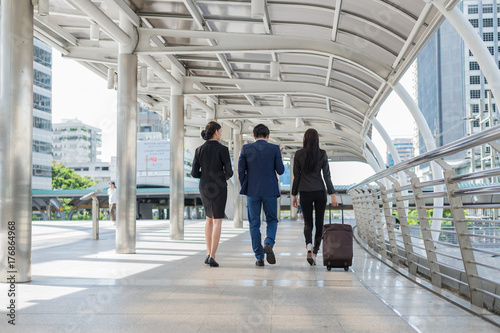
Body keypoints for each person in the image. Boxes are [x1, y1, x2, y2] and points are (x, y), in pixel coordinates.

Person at [238, 124, 285, 267]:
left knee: (254, 223)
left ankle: (259, 257)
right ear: (268, 135)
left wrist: (246, 185)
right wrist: (279, 156)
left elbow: (241, 171)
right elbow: (281, 171)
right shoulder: (274, 149)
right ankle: (268, 242)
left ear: (254, 136)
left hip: (252, 191)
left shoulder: (246, 148)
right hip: (270, 190)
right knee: (271, 220)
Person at [291, 129, 338, 266]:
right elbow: (326, 176)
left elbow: (297, 176)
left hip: (305, 192)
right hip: (319, 192)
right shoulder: (322, 154)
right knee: (319, 224)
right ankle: (316, 253)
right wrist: (333, 194)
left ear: (305, 139)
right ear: (317, 140)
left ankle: (309, 245)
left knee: (307, 223)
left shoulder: (298, 154)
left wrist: (294, 195)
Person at [191, 121, 233, 267]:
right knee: (218, 221)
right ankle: (213, 256)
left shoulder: (198, 149)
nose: (221, 134)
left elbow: (194, 173)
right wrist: (221, 176)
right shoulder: (223, 149)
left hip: (204, 187)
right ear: (215, 131)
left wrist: (206, 175)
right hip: (219, 187)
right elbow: (229, 172)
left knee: (209, 219)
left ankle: (208, 253)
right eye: (220, 131)